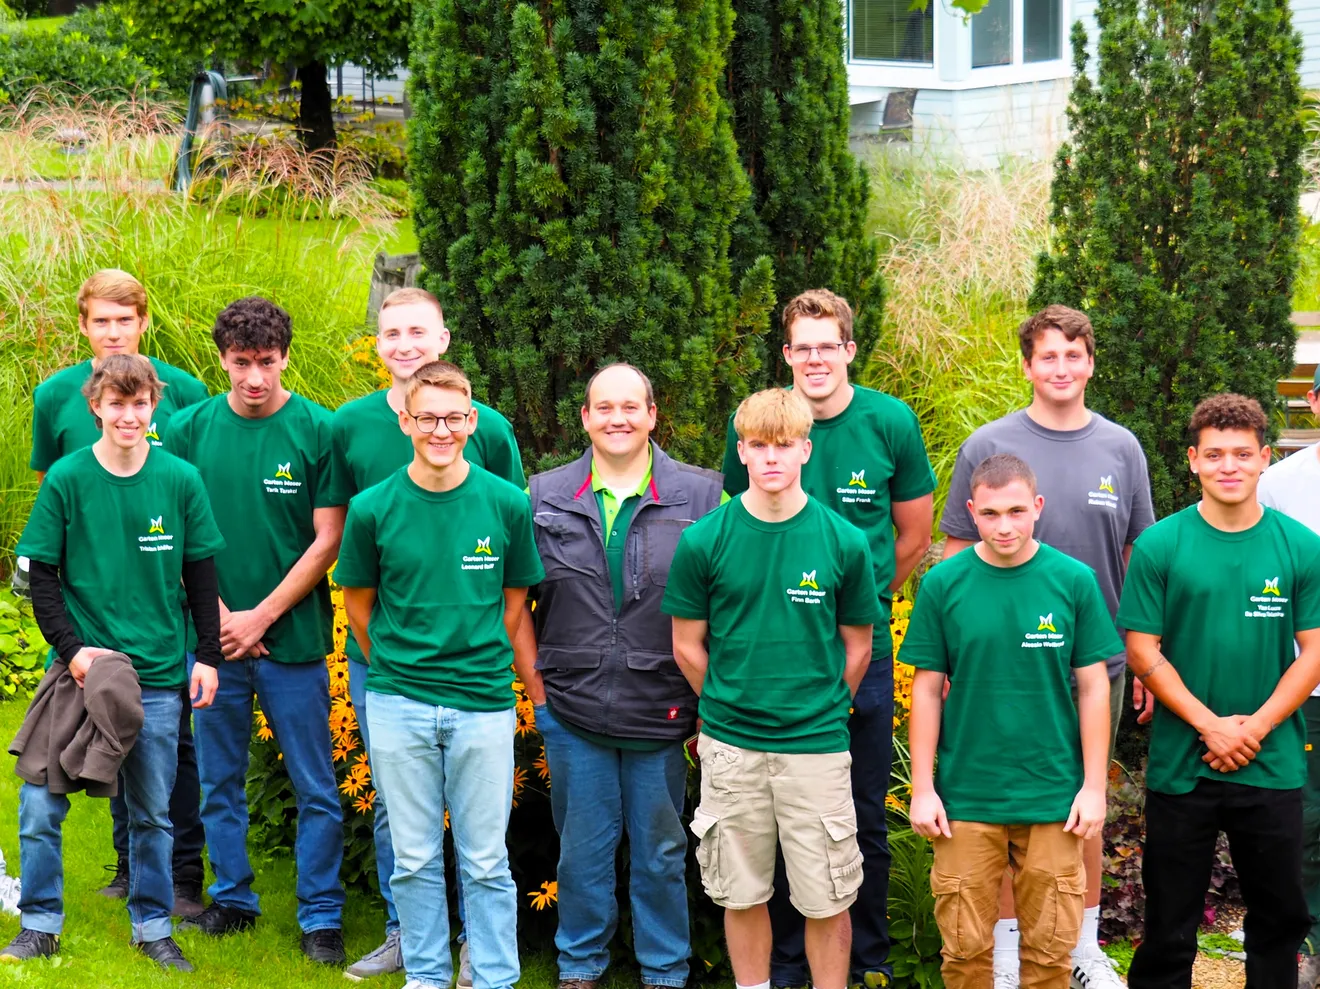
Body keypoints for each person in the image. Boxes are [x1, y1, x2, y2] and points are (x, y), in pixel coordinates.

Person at [721, 290, 935, 989]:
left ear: (849, 349)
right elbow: (740, 517)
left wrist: (860, 608)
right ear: (787, 354)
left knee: (859, 812)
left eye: (828, 345)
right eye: (802, 347)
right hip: (775, 652)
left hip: (857, 650)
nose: (815, 359)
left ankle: (865, 959)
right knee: (777, 817)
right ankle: (785, 964)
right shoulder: (761, 423)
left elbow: (915, 534)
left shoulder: (889, 422)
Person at [938, 304, 1155, 989]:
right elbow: (954, 555)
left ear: (1090, 362)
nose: (1061, 368)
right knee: (1004, 812)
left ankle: (1080, 948)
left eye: (1073, 354)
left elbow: (1137, 558)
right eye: (1048, 356)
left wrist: (1144, 656)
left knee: (1080, 807)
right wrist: (950, 660)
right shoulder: (989, 443)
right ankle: (1007, 955)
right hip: (997, 669)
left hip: (1095, 664)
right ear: (1028, 366)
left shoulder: (1121, 448)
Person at [3, 355, 223, 972]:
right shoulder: (67, 478)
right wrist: (72, 651)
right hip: (78, 675)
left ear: (154, 406)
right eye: (117, 404)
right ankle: (40, 924)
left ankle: (152, 928)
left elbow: (201, 575)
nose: (129, 415)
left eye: (140, 403)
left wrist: (207, 656)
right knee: (40, 805)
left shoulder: (181, 479)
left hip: (156, 677)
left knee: (152, 813)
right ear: (96, 406)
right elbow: (41, 576)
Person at [331, 286, 526, 981]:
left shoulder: (502, 496)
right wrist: (397, 660)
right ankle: (424, 969)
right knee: (410, 851)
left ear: (470, 420)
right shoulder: (371, 503)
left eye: (453, 418)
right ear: (405, 422)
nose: (440, 430)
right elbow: (359, 601)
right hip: (397, 692)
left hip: (480, 694)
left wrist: (480, 653)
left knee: (486, 856)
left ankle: (491, 971)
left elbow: (513, 597)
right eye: (426, 419)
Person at [520, 363, 724, 989]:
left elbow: (724, 606)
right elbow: (514, 604)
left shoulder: (703, 497)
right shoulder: (543, 494)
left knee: (661, 849)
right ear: (585, 418)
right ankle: (580, 963)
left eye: (631, 407)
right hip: (571, 705)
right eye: (604, 408)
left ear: (653, 415)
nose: (618, 418)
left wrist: (709, 705)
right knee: (581, 847)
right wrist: (539, 694)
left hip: (662, 707)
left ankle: (664, 968)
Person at [669, 387, 880, 989]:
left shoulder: (843, 541)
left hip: (816, 747)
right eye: (758, 445)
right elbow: (686, 645)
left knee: (828, 897)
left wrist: (824, 707)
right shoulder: (705, 540)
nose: (770, 458)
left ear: (806, 450)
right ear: (741, 451)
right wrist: (726, 702)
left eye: (784, 445)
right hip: (732, 748)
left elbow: (858, 646)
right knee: (741, 893)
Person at [164, 297, 347, 964]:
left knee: (315, 786)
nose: (254, 378)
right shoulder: (187, 429)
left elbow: (327, 539)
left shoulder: (318, 430)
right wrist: (218, 619)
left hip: (291, 642)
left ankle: (321, 916)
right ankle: (233, 899)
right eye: (241, 363)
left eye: (267, 362)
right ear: (223, 360)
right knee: (219, 779)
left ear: (285, 357)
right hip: (211, 645)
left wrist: (260, 615)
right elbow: (172, 534)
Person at [1119, 393, 1320, 989]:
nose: (1228, 466)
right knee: (1168, 923)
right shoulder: (1161, 545)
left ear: (1264, 458)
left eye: (1241, 453)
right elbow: (1142, 651)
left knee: (1279, 921)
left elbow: (1314, 652)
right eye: (1214, 454)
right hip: (1184, 763)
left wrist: (1254, 727)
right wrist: (1210, 725)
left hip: (1272, 762)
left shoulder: (1300, 546)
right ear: (1193, 461)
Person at [29, 269, 211, 912]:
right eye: (101, 320)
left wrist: (206, 634)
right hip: (90, 612)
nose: (113, 332)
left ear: (143, 322)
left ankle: (181, 873)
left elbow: (190, 502)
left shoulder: (184, 392)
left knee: (171, 747)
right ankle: (127, 865)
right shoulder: (54, 396)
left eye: (124, 319)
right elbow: (57, 505)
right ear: (84, 325)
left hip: (161, 606)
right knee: (108, 725)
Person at [906, 453, 1117, 989]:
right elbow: (926, 690)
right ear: (971, 511)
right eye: (991, 513)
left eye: (1017, 511)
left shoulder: (1073, 581)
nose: (1005, 526)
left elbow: (1094, 687)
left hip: (1053, 796)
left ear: (1038, 507)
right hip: (966, 798)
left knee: (1050, 953)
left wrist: (1094, 787)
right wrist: (923, 788)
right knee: (965, 952)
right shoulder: (944, 583)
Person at [1257, 368, 1320, 989]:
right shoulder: (1279, 483)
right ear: (1313, 401)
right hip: (1306, 687)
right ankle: (1308, 943)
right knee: (1306, 822)